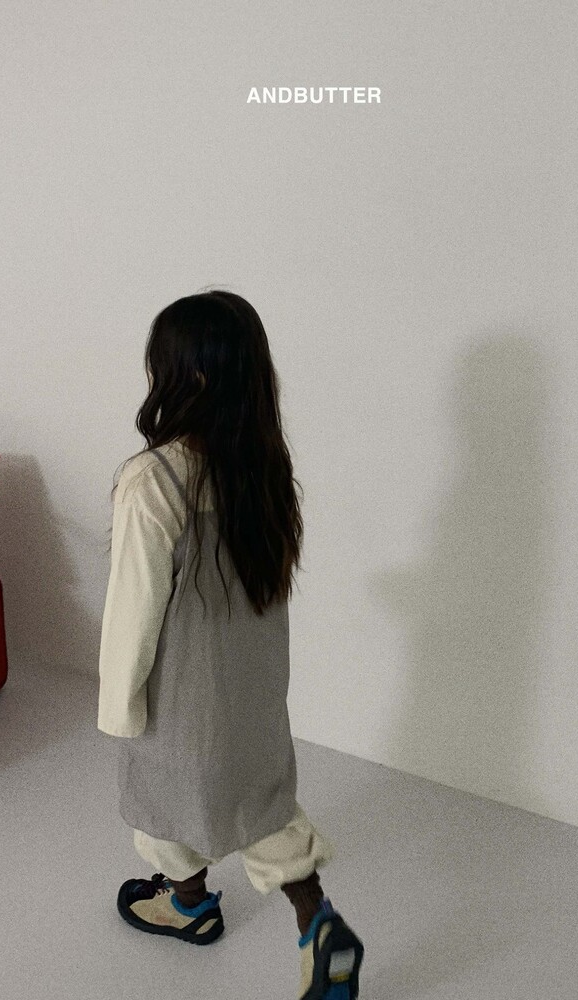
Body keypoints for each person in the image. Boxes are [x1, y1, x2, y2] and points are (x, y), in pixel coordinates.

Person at [96, 289, 364, 1000]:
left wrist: (119, 703)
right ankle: (319, 925)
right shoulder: (264, 470)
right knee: (263, 807)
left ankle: (188, 906)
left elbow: (132, 608)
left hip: (182, 693)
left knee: (162, 800)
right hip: (253, 686)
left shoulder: (153, 479)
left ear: (190, 374)